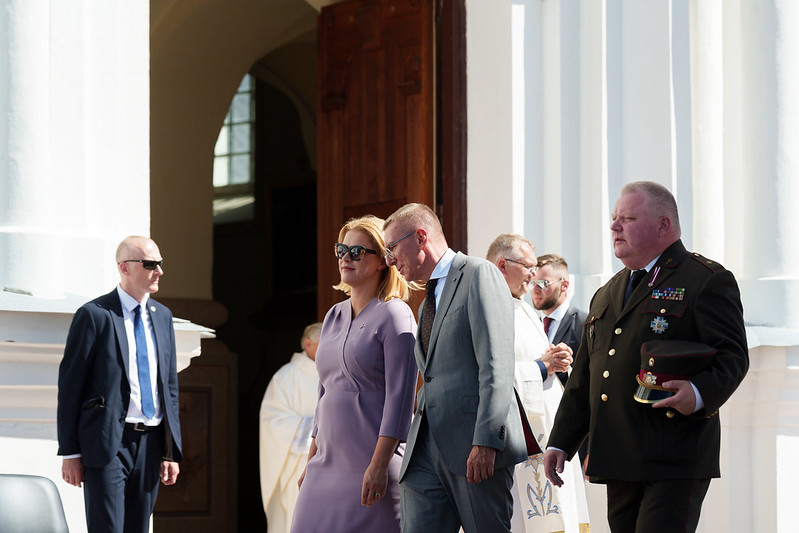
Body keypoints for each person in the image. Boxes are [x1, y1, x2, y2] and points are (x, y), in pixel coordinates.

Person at [544, 181, 749, 532]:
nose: (614, 226)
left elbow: (733, 356)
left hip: (674, 454)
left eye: (628, 218)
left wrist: (698, 393)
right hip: (619, 457)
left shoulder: (704, 279)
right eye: (614, 218)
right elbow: (586, 377)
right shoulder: (607, 292)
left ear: (663, 225)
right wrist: (561, 441)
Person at [383, 204, 527, 533]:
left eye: (392, 248)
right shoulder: (426, 302)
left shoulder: (478, 273)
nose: (390, 260)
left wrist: (486, 439)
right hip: (425, 450)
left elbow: (496, 363)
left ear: (421, 237)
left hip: (473, 444)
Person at [290, 215, 417, 533]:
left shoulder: (395, 314)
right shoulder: (333, 315)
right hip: (324, 465)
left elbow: (401, 399)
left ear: (383, 261)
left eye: (357, 252)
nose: (345, 258)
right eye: (341, 250)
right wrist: (310, 459)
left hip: (371, 464)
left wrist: (379, 465)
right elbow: (324, 392)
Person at [57, 236, 182, 533]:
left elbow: (169, 388)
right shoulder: (95, 315)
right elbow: (71, 386)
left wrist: (170, 451)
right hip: (107, 443)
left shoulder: (163, 316)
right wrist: (70, 452)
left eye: (160, 263)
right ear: (124, 268)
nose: (159, 271)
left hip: (151, 443)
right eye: (150, 264)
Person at [487, 234, 590, 533]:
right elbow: (491, 374)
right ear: (502, 265)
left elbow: (540, 363)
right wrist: (542, 366)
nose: (533, 276)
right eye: (528, 267)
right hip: (522, 443)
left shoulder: (524, 309)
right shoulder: (488, 309)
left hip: (549, 435)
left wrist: (557, 361)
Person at [259, 322, 322, 533]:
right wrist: (317, 428)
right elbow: (273, 420)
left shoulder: (337, 374)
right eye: (325, 342)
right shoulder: (286, 376)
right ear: (308, 344)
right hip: (297, 465)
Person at [531, 254, 587, 387]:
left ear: (564, 285)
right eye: (532, 283)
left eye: (543, 283)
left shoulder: (585, 323)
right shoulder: (532, 324)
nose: (535, 290)